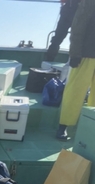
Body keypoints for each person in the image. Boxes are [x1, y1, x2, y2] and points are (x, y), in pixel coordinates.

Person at [57, 0, 95, 140]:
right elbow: (78, 26)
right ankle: (64, 125)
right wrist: (75, 54)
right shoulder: (88, 3)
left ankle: (92, 125)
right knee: (74, 91)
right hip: (85, 54)